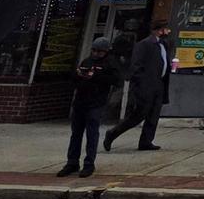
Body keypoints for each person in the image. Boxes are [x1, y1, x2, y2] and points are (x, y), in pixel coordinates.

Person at [103, 21, 172, 153]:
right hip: (146, 85)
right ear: (158, 30)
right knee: (139, 115)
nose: (168, 32)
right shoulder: (144, 44)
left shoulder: (162, 45)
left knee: (153, 115)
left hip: (159, 83)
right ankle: (112, 133)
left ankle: (146, 141)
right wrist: (141, 83)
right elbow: (136, 66)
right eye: (165, 29)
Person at [57, 38, 120, 178]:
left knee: (92, 134)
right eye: (94, 50)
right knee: (76, 134)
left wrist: (95, 76)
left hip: (96, 103)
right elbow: (73, 80)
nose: (96, 53)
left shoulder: (110, 63)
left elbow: (117, 81)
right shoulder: (87, 61)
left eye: (99, 51)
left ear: (106, 51)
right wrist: (79, 75)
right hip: (80, 101)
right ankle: (72, 162)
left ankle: (89, 163)